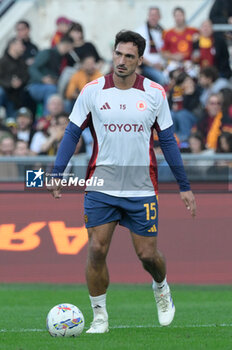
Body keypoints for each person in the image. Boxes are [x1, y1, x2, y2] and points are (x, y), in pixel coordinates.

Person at [47, 30, 196, 333]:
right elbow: (73, 132)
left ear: (140, 60)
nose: (122, 61)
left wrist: (184, 186)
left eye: (129, 56)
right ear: (112, 54)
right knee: (97, 249)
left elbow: (167, 141)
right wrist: (57, 171)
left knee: (148, 256)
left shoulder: (154, 93)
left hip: (141, 188)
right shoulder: (93, 91)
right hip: (101, 186)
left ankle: (161, 287)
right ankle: (100, 316)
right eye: (118, 54)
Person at [27, 36, 74, 115]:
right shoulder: (47, 53)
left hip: (51, 86)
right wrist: (43, 79)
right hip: (35, 85)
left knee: (66, 100)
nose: (67, 49)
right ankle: (47, 119)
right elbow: (32, 68)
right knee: (51, 89)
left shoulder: (62, 58)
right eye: (67, 46)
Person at [136, 7, 167, 85]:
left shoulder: (162, 32)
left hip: (162, 66)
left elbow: (164, 51)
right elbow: (137, 53)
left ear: (160, 17)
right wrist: (153, 65)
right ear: (148, 16)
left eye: (156, 15)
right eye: (151, 15)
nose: (153, 17)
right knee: (162, 79)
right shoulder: (140, 31)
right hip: (146, 66)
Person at [0, 37, 29, 118]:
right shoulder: (2, 61)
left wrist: (20, 82)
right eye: (21, 44)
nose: (23, 47)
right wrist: (10, 84)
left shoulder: (22, 62)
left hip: (15, 98)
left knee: (12, 123)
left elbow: (26, 76)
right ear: (12, 45)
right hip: (4, 92)